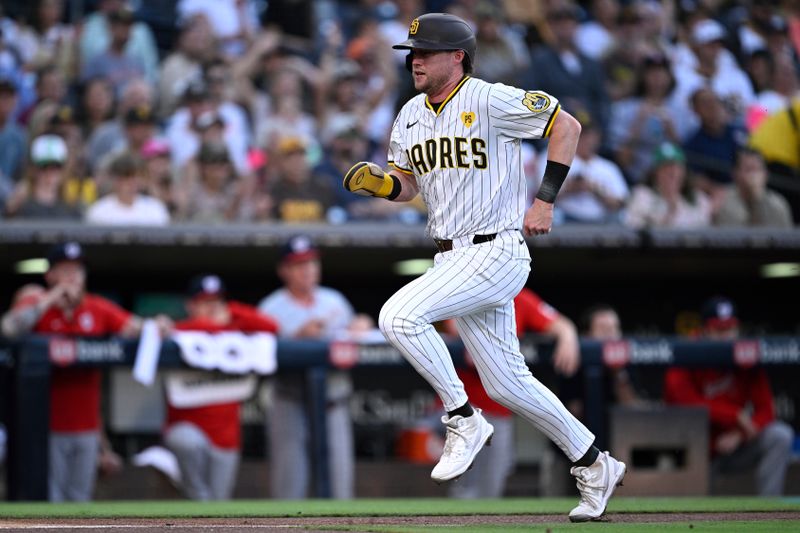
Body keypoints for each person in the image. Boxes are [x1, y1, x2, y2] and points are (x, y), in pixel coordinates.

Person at [341, 13, 625, 522]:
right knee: (506, 384)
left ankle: (462, 418)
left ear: (458, 56)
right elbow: (407, 185)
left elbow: (567, 126)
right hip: (451, 252)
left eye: (426, 51)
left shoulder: (489, 97)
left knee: (397, 316)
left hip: (496, 249)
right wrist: (379, 186)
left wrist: (545, 200)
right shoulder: (408, 114)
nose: (415, 60)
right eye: (412, 52)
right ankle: (594, 463)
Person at [0, 241, 171, 501]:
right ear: (50, 275)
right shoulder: (37, 301)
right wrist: (51, 298)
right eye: (64, 270)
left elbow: (136, 328)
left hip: (87, 427)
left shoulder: (97, 307)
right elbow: (9, 329)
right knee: (50, 500)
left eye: (77, 270)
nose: (72, 276)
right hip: (43, 426)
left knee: (80, 500)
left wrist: (158, 324)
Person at [446, 288, 580, 499]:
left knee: (489, 490)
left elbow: (561, 324)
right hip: (459, 410)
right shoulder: (465, 289)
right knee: (456, 485)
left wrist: (569, 336)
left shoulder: (518, 296)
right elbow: (452, 325)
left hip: (498, 412)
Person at [664, 296, 794, 496]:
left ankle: (770, 506)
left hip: (735, 444)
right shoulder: (688, 351)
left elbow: (767, 410)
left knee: (780, 435)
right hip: (697, 450)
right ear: (706, 330)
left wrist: (739, 434)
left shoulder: (745, 355)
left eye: (730, 329)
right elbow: (684, 402)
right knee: (692, 510)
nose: (726, 336)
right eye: (719, 330)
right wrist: (734, 415)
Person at [258, 235, 356, 499]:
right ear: (284, 271)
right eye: (299, 264)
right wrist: (296, 339)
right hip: (290, 400)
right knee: (289, 486)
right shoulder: (270, 308)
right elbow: (258, 358)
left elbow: (355, 332)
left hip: (332, 399)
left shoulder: (335, 301)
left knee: (340, 485)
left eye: (312, 262)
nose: (308, 269)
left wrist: (362, 324)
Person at [164, 274, 279, 500]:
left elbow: (271, 326)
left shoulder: (234, 329)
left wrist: (232, 313)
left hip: (226, 436)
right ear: (191, 305)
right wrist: (213, 325)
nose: (212, 308)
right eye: (205, 302)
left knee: (218, 503)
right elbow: (173, 331)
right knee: (197, 492)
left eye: (217, 301)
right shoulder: (182, 330)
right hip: (187, 429)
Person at [714, 147, 793, 228]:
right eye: (749, 169)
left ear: (766, 174)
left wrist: (758, 197)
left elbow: (785, 237)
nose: (754, 176)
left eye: (758, 169)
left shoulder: (778, 204)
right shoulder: (722, 199)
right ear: (735, 173)